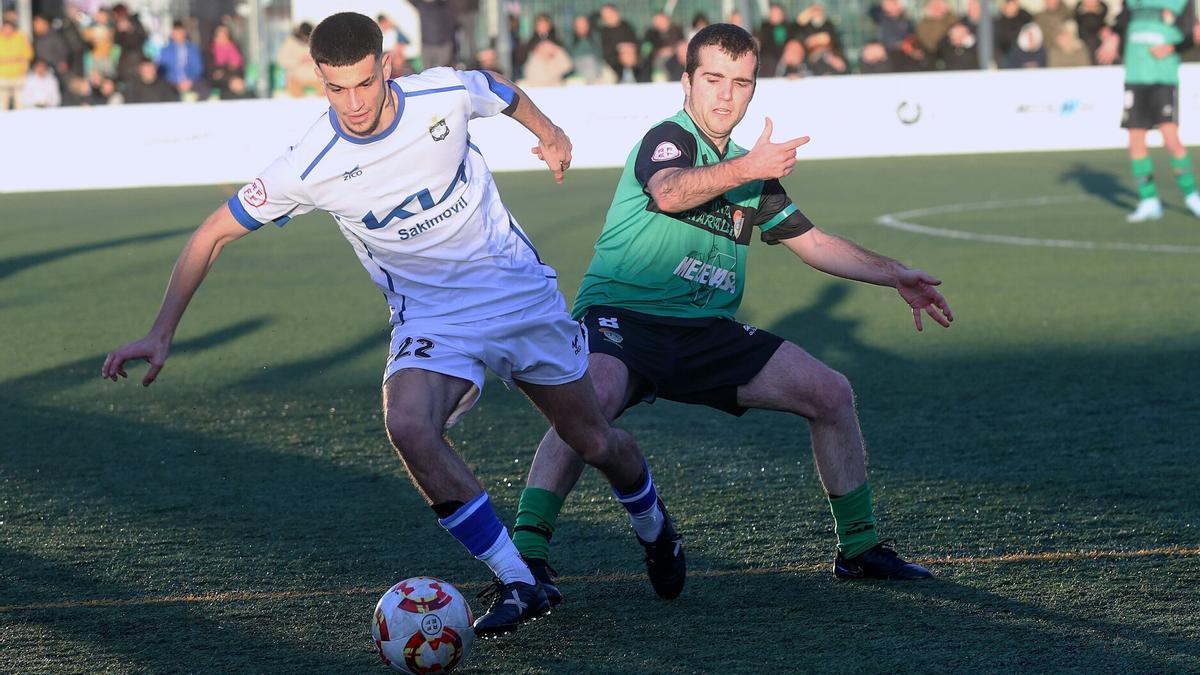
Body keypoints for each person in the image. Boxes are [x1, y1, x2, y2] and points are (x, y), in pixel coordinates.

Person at [100, 11, 680, 638]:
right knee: (408, 424)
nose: (352, 104)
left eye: (363, 84)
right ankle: (520, 581)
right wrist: (161, 332)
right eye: (335, 89)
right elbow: (213, 233)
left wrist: (552, 133)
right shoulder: (309, 163)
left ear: (386, 66)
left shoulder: (442, 94)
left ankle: (654, 527)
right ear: (319, 79)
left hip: (517, 296)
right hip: (431, 317)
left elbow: (499, 90)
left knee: (593, 441)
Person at [509, 23, 951, 604]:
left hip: (706, 332)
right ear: (687, 82)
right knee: (589, 403)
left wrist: (894, 273)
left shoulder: (750, 170)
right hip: (624, 317)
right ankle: (526, 558)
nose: (725, 95)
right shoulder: (669, 138)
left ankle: (859, 548)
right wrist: (748, 169)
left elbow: (814, 244)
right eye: (713, 79)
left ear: (753, 91)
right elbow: (670, 191)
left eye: (741, 83)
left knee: (831, 394)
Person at [1097, 0, 1200, 221]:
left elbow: (1191, 35)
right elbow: (1121, 23)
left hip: (1163, 77)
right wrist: (1113, 38)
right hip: (1135, 76)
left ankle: (1192, 195)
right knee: (1135, 138)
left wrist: (1171, 48)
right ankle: (1149, 200)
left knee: (1170, 137)